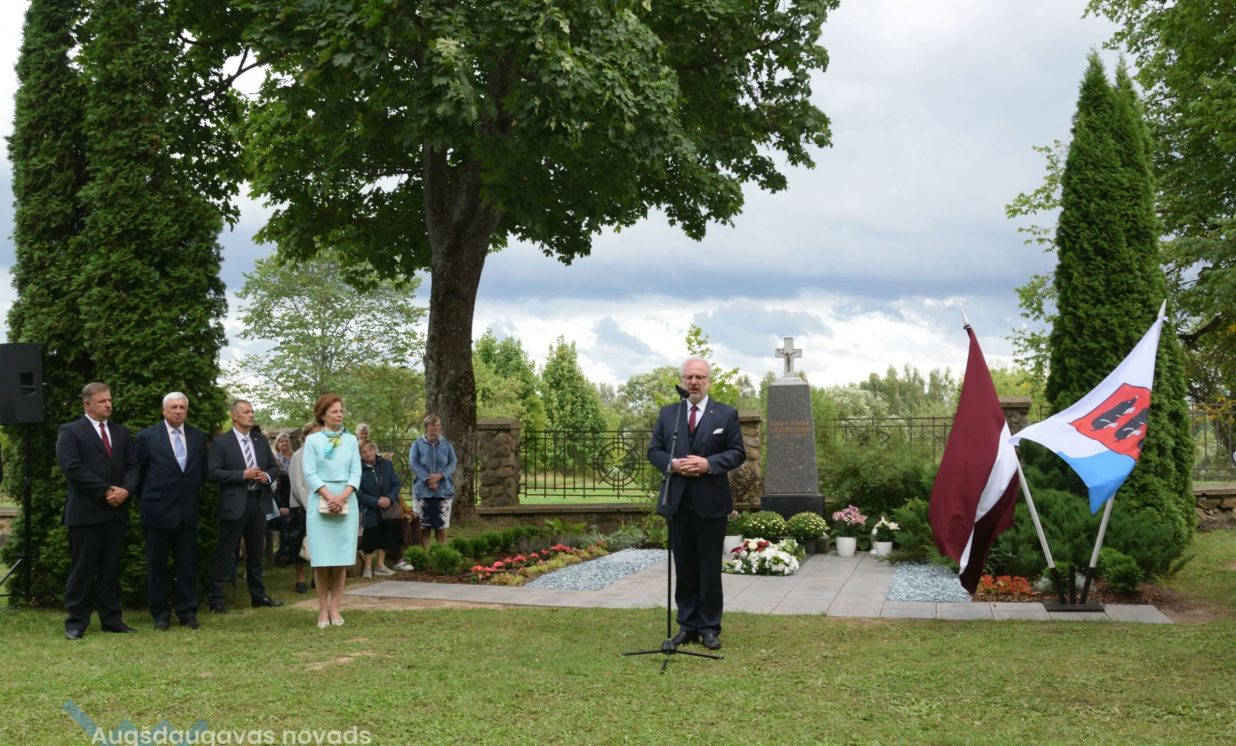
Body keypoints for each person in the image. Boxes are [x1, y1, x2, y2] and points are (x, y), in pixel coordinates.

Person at [647, 357, 746, 651]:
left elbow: (737, 453)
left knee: (709, 567)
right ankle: (687, 625)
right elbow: (654, 451)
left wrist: (708, 464)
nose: (694, 382)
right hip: (677, 502)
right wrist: (674, 464)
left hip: (711, 503)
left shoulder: (725, 414)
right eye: (689, 377)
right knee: (685, 566)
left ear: (708, 381)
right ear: (682, 380)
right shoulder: (669, 413)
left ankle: (709, 627)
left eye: (699, 377)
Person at [56, 382, 140, 639]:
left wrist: (125, 490)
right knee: (82, 569)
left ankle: (111, 619)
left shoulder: (121, 432)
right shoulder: (71, 431)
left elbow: (133, 467)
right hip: (86, 513)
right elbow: (72, 468)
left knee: (110, 569)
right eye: (102, 401)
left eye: (110, 400)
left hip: (115, 513)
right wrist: (105, 491)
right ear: (87, 404)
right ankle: (76, 622)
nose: (108, 405)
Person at [134, 392, 209, 631]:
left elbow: (202, 473)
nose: (178, 411)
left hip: (187, 511)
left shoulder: (198, 437)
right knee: (157, 567)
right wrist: (151, 498)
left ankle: (187, 613)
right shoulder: (147, 437)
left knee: (186, 566)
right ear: (164, 410)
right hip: (157, 511)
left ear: (187, 411)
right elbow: (138, 474)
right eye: (173, 407)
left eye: (182, 408)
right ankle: (160, 614)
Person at [207, 399, 284, 613]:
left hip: (258, 501)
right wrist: (242, 475)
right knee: (225, 551)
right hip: (234, 502)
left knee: (256, 552)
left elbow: (274, 467)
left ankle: (258, 596)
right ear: (234, 416)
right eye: (246, 412)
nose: (251, 415)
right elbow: (212, 472)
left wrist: (266, 476)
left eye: (252, 411)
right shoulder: (222, 442)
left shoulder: (260, 440)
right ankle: (216, 600)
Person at [302, 394, 362, 628]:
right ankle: (322, 609)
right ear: (323, 414)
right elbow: (310, 472)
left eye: (341, 410)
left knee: (340, 558)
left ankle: (335, 607)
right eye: (335, 411)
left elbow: (356, 472)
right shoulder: (312, 440)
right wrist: (329, 497)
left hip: (346, 499)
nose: (340, 414)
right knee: (322, 559)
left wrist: (343, 496)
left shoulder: (351, 440)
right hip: (320, 500)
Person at [357, 440, 408, 577]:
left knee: (386, 535)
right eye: (364, 452)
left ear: (375, 450)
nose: (368, 454)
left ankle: (380, 566)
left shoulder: (386, 464)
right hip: (370, 508)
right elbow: (358, 492)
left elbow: (396, 484)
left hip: (387, 508)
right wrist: (376, 501)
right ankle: (367, 568)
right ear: (360, 455)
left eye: (370, 450)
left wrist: (389, 498)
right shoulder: (358, 469)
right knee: (370, 538)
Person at [408, 414, 456, 551]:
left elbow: (453, 463)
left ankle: (441, 554)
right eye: (433, 425)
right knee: (424, 526)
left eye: (438, 425)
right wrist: (429, 479)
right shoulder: (417, 444)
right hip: (422, 491)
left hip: (444, 490)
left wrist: (440, 476)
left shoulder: (447, 444)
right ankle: (425, 555)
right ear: (426, 427)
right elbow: (414, 463)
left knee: (441, 526)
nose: (436, 428)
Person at [287, 422, 320, 593]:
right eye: (313, 434)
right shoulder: (298, 455)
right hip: (301, 506)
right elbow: (297, 485)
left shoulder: (321, 454)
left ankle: (317, 577)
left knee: (317, 542)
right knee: (299, 542)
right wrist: (309, 506)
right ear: (305, 436)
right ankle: (300, 578)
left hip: (319, 504)